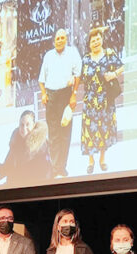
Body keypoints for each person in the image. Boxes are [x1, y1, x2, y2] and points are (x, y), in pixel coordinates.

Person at [38, 29, 82, 177]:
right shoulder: (48, 56)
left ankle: (62, 166)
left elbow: (77, 75)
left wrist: (74, 95)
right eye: (58, 38)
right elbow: (41, 79)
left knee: (65, 133)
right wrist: (44, 94)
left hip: (65, 95)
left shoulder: (72, 53)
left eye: (63, 38)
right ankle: (55, 167)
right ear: (54, 40)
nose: (60, 40)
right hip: (51, 96)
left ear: (66, 39)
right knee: (53, 133)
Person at [80, 28, 123, 174]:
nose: (96, 42)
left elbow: (122, 66)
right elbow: (79, 77)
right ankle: (91, 160)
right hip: (90, 101)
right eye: (93, 41)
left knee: (104, 129)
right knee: (90, 130)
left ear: (102, 40)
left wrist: (114, 74)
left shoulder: (109, 54)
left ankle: (102, 159)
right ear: (89, 44)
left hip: (106, 100)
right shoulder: (85, 59)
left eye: (98, 39)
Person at [0, 110, 51, 186]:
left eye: (27, 124)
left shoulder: (41, 146)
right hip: (15, 188)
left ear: (33, 125)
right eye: (22, 124)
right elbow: (7, 168)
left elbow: (45, 175)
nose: (24, 128)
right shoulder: (16, 143)